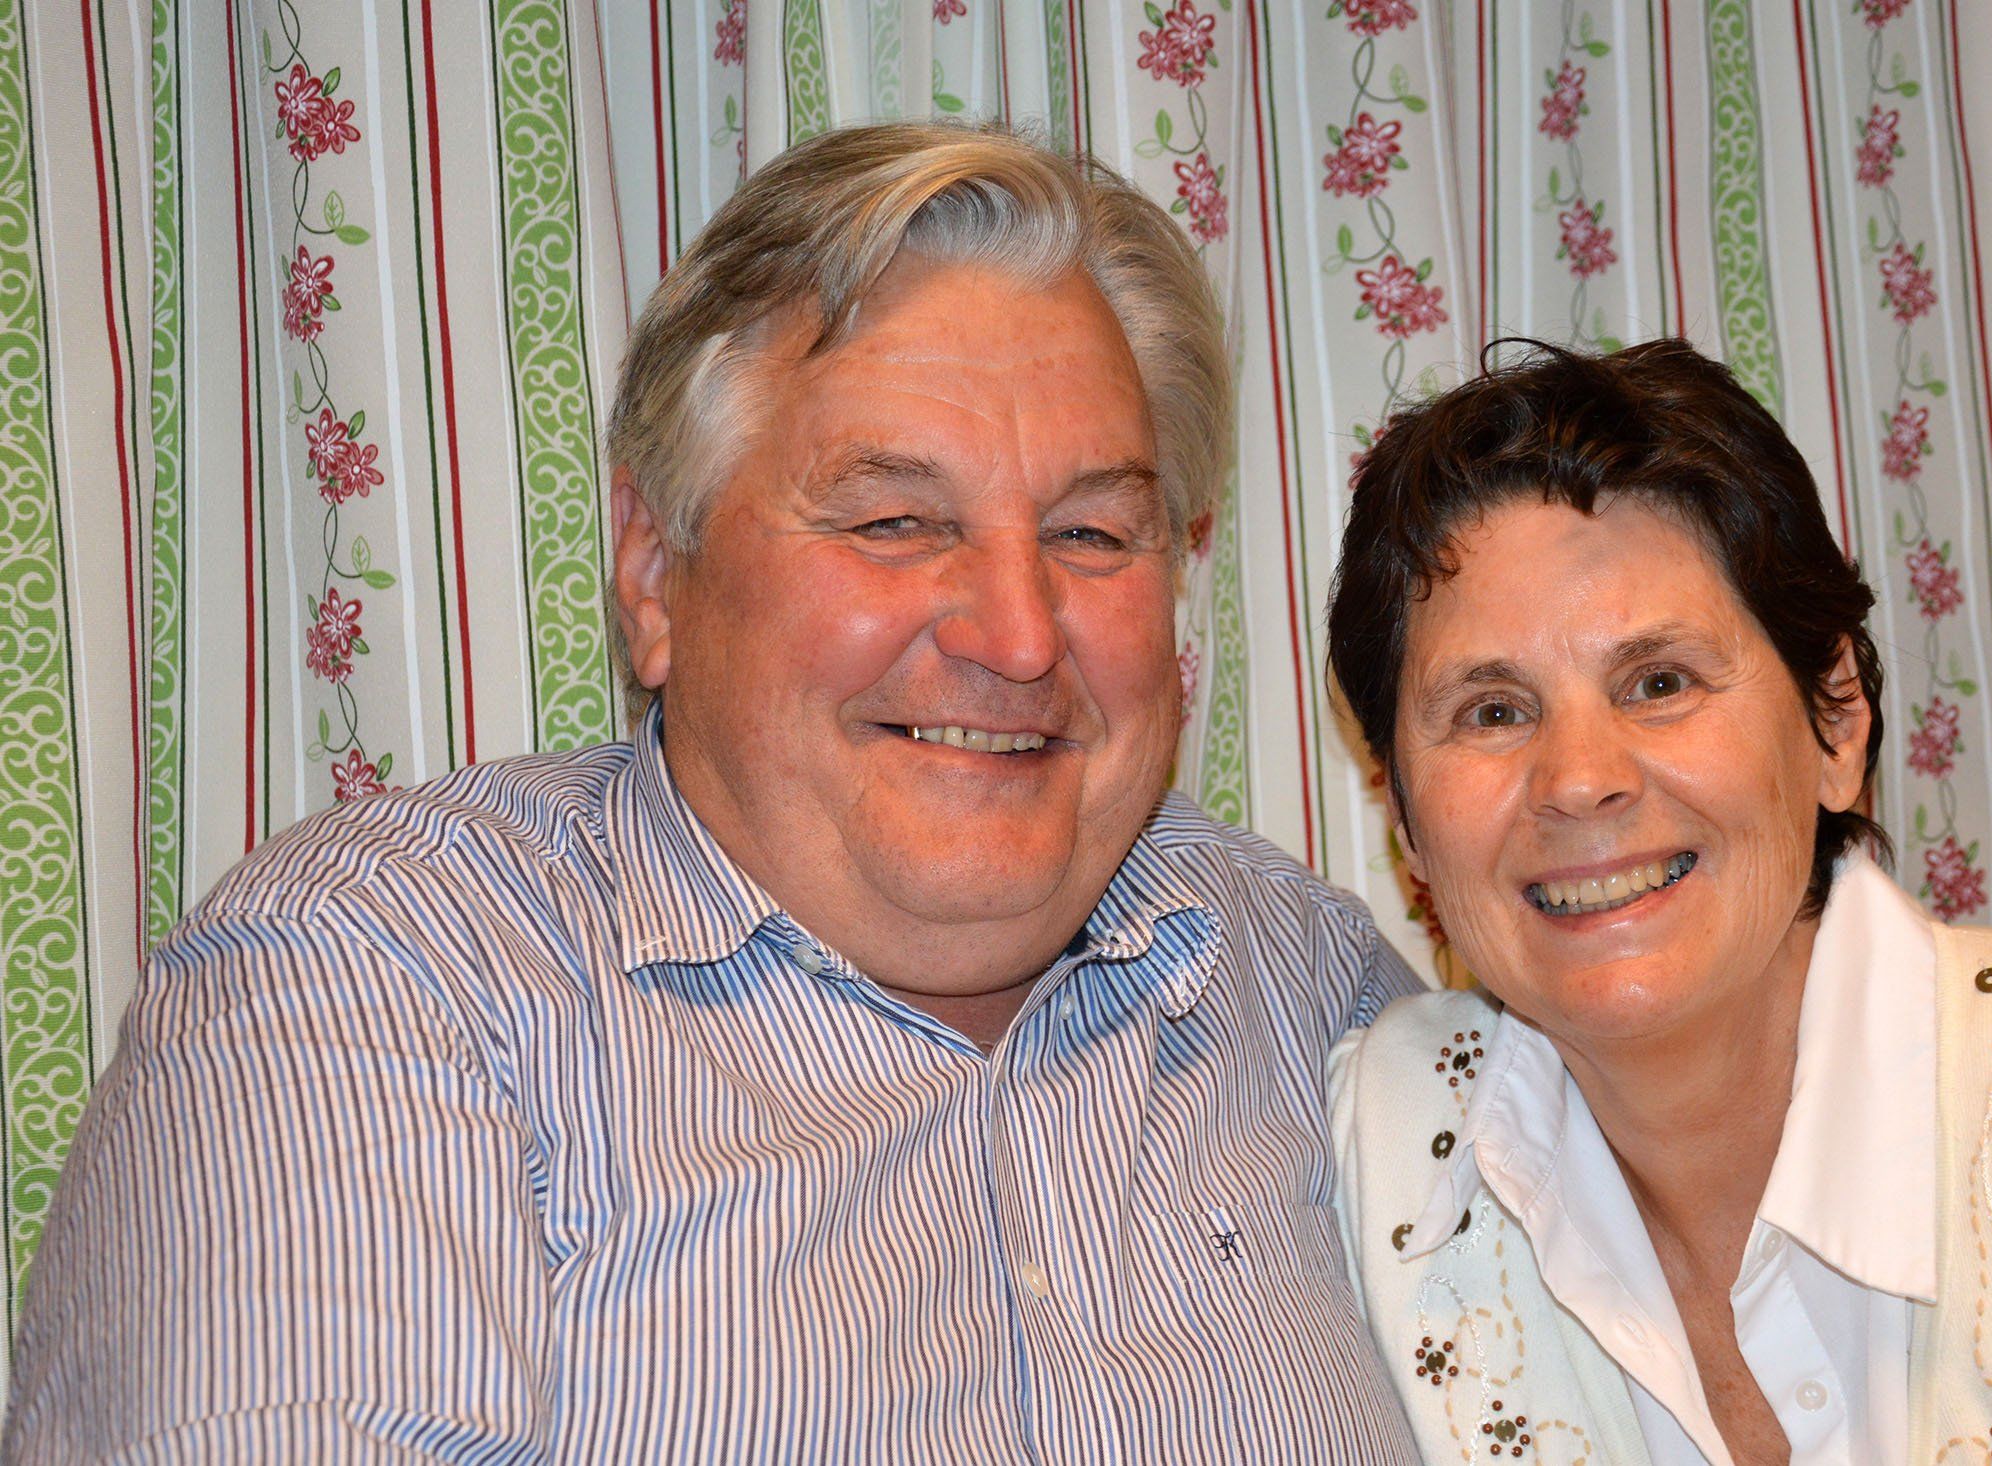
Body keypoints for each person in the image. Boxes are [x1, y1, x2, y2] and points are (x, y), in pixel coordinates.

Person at [7, 122, 1423, 1462]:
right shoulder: (379, 983)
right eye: (895, 519)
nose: (1017, 633)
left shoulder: (1305, 982)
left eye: (1092, 533)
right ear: (652, 570)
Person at [1324, 339, 1992, 1464]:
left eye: (1659, 682)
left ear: (1835, 723)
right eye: (1492, 711)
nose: (1579, 779)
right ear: (1405, 820)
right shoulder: (1375, 1155)